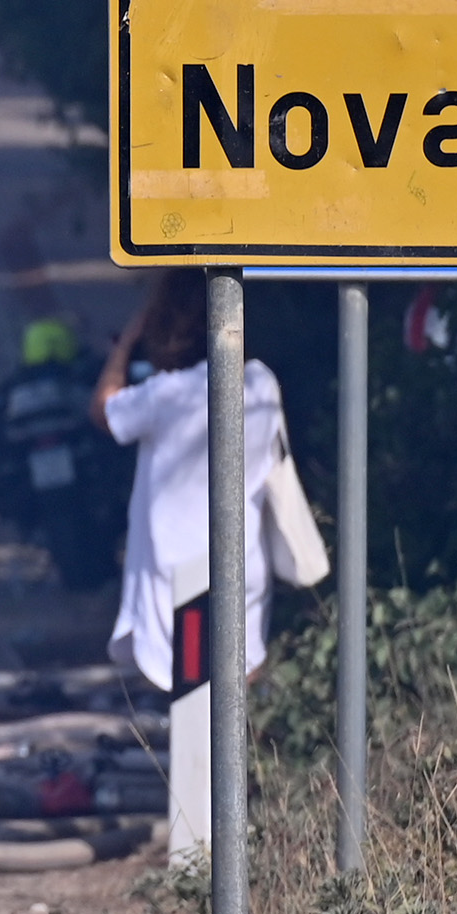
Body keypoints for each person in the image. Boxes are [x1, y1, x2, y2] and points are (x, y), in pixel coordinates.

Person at [95, 271, 282, 689]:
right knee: (232, 699)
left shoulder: (166, 395)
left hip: (176, 577)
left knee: (192, 701)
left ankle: (200, 757)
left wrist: (127, 342)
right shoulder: (260, 383)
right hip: (242, 565)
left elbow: (105, 410)